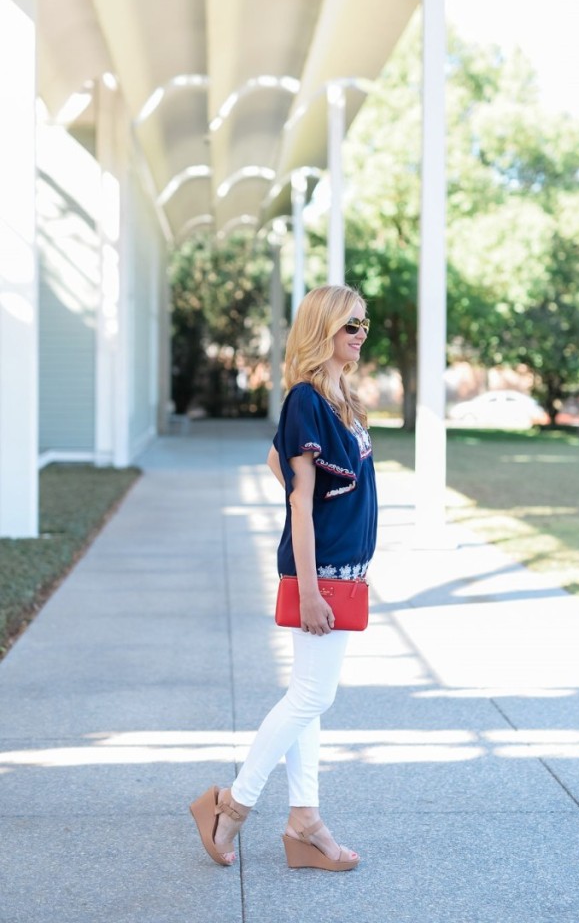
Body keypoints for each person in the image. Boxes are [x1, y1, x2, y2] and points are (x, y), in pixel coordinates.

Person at [190, 284, 377, 872]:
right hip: (321, 573)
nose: (360, 335)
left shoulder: (340, 394)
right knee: (313, 695)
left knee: (308, 697)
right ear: (322, 328)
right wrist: (313, 589)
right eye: (350, 325)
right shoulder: (305, 399)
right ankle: (232, 805)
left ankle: (305, 823)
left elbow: (276, 461)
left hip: (345, 567)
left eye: (364, 325)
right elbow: (300, 501)